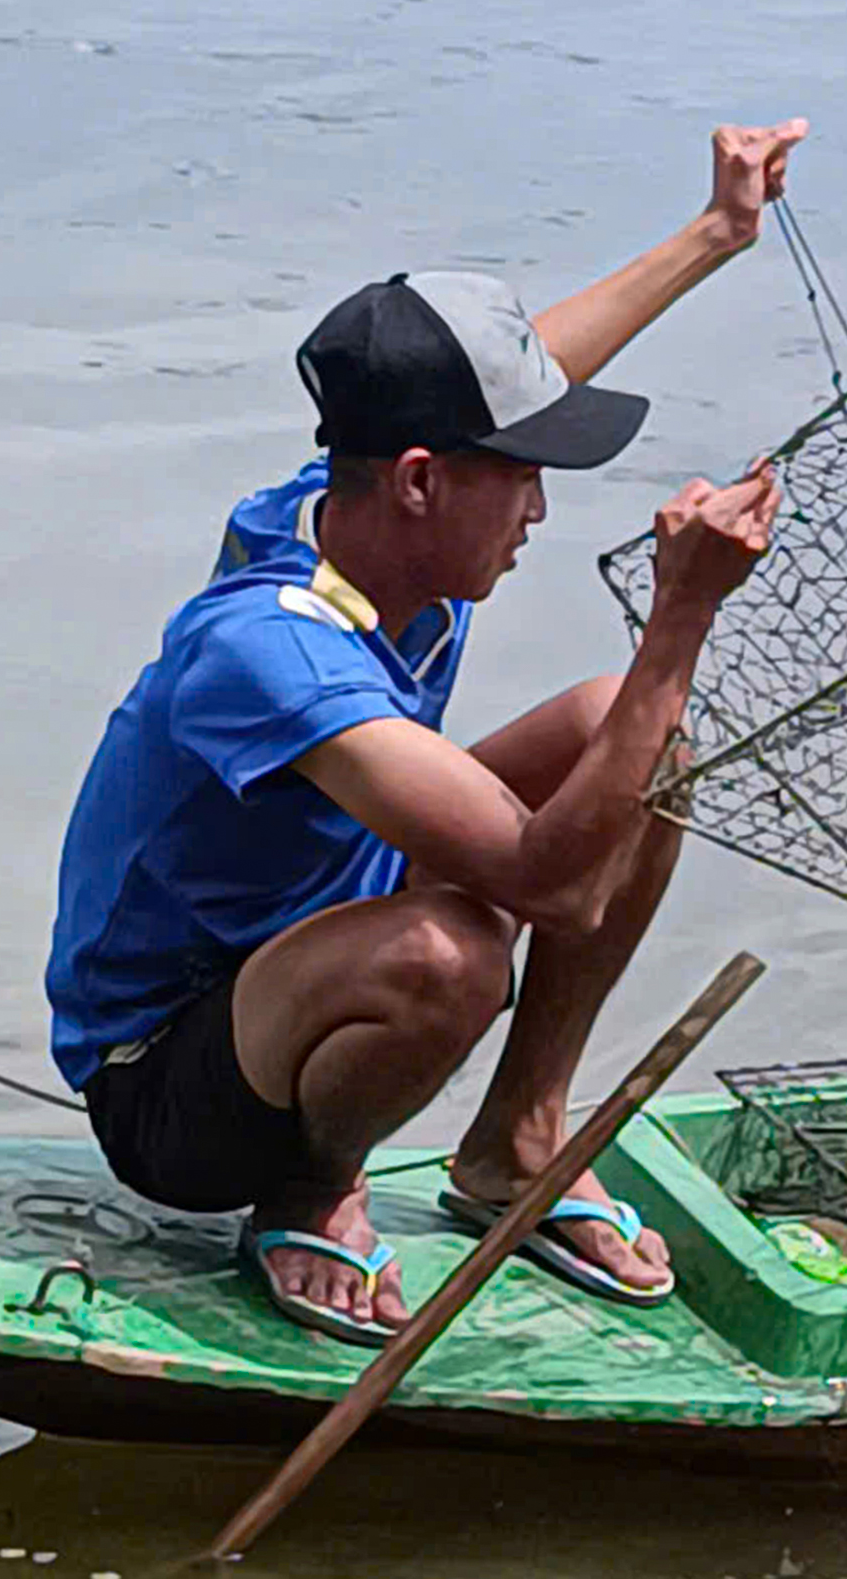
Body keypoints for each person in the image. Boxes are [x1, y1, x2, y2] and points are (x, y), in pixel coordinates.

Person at [44, 119, 804, 1345]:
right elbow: (548, 882)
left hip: (313, 934)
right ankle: (308, 1184)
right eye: (524, 476)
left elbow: (512, 379)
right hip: (173, 1081)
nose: (542, 509)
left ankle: (518, 1136)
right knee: (455, 953)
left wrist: (716, 233)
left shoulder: (342, 508)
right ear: (417, 483)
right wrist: (682, 617)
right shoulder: (269, 648)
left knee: (634, 734)